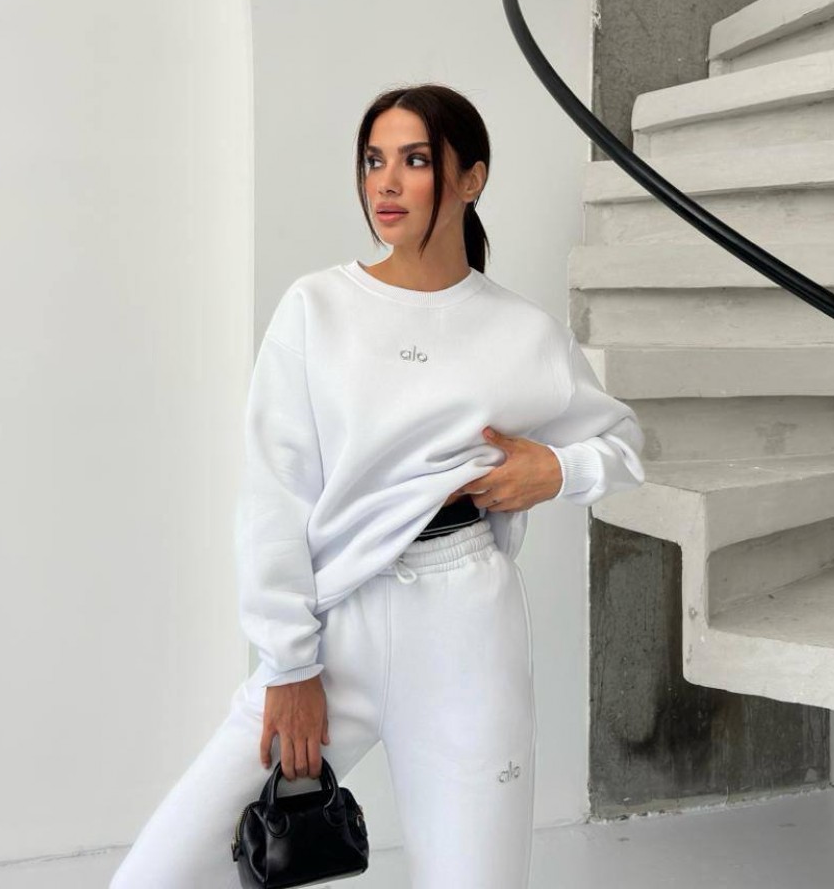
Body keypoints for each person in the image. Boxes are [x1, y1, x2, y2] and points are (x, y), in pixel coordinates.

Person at [109, 83, 646, 889]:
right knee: (158, 875)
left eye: (415, 160)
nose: (385, 183)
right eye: (372, 161)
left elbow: (625, 446)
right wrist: (288, 665)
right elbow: (275, 491)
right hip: (337, 629)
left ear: (471, 179)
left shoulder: (521, 333)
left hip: (469, 627)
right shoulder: (318, 308)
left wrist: (556, 470)